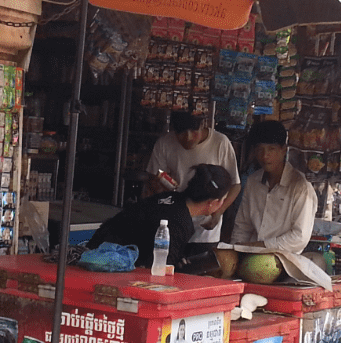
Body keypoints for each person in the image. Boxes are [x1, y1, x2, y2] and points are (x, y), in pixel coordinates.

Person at [86, 163, 232, 268]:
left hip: (97, 251)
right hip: (103, 263)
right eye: (223, 200)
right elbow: (160, 270)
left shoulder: (171, 199)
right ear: (212, 203)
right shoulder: (179, 223)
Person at [144, 111, 240, 253]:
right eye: (181, 133)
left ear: (203, 125)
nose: (188, 137)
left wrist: (219, 212)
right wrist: (160, 190)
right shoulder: (165, 143)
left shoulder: (220, 143)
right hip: (171, 229)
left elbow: (235, 185)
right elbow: (153, 179)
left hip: (205, 232)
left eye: (194, 131)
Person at [231, 120, 318, 254]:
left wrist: (261, 246)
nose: (265, 156)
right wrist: (235, 252)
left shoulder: (301, 188)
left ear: (283, 150)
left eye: (271, 149)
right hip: (250, 258)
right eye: (260, 149)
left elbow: (299, 237)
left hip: (283, 262)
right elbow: (243, 226)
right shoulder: (253, 181)